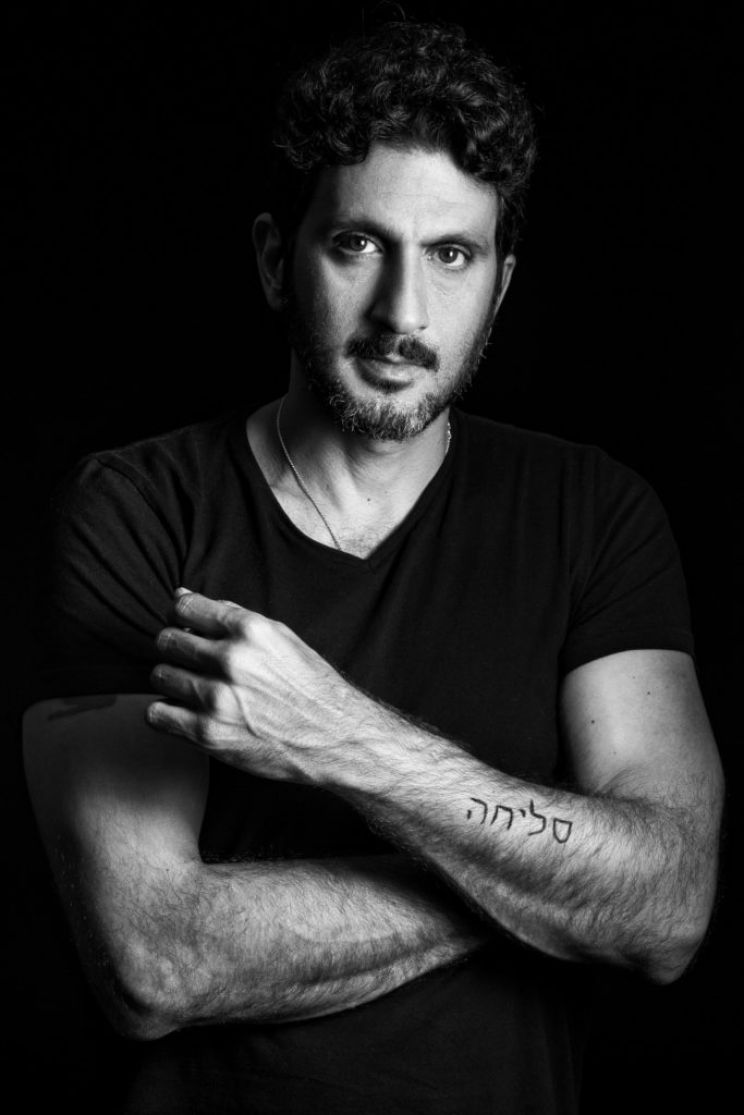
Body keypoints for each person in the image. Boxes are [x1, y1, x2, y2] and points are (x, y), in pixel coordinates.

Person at [23, 20, 723, 1115]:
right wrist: (548, 887)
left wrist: (346, 739)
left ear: (500, 285)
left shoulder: (594, 514)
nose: (403, 313)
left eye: (452, 255)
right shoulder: (137, 509)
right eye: (358, 244)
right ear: (275, 258)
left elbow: (668, 905)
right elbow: (155, 959)